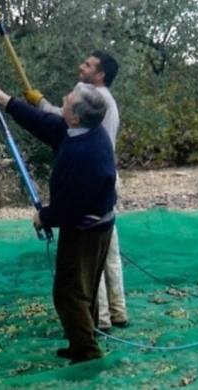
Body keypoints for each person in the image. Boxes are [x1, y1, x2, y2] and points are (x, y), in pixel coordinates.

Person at [0, 82, 116, 364]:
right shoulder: (78, 131)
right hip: (93, 223)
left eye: (68, 101)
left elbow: (72, 204)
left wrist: (44, 216)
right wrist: (7, 101)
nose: (63, 100)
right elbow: (43, 122)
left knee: (69, 293)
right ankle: (82, 340)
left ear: (75, 117)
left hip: (88, 230)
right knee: (84, 290)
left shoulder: (86, 153)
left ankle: (87, 353)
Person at [24, 51, 128, 333]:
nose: (81, 67)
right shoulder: (101, 99)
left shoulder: (95, 101)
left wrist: (41, 103)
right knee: (108, 255)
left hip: (95, 182)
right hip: (105, 181)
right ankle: (116, 313)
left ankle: (100, 321)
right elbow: (65, 119)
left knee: (88, 262)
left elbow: (65, 119)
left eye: (87, 65)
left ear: (100, 74)